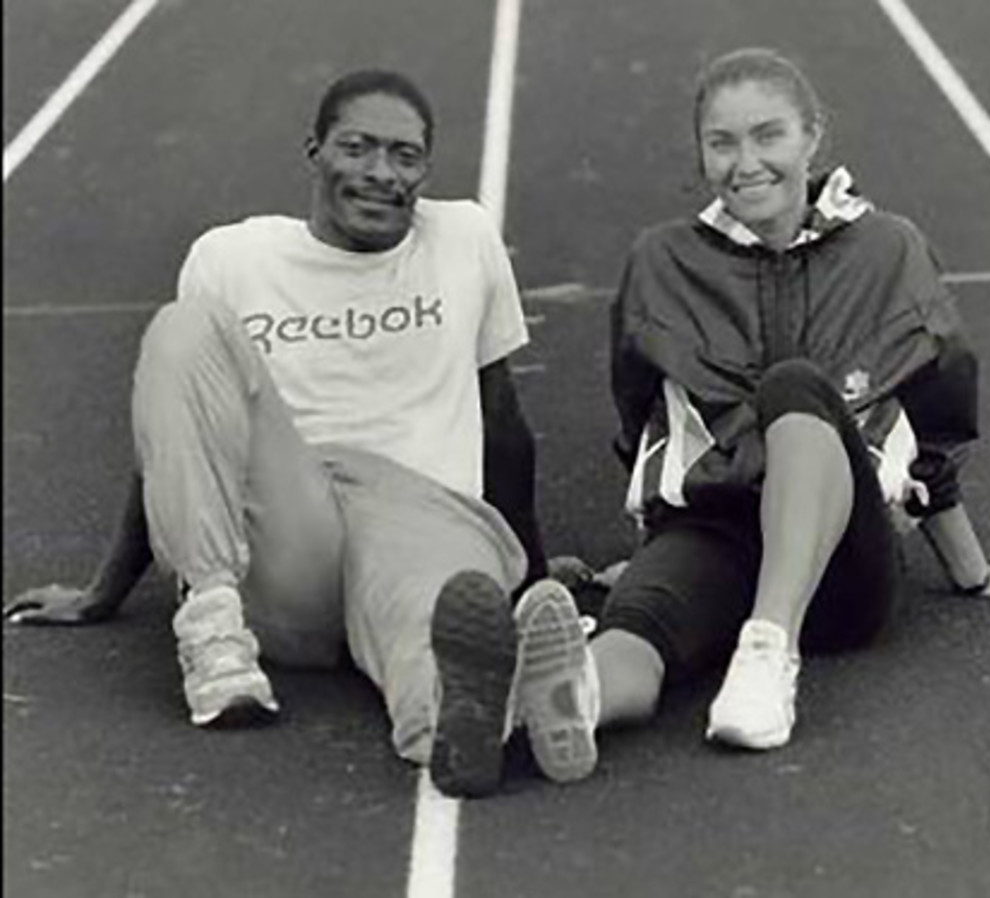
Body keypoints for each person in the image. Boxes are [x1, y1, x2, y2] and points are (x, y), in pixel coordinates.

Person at [3, 68, 595, 799]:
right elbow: (179, 436)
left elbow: (503, 422)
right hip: (295, 525)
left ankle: (457, 724)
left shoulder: (464, 238)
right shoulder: (231, 257)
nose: (382, 173)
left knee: (441, 612)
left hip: (424, 514)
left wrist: (533, 572)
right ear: (314, 150)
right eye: (358, 147)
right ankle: (215, 633)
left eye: (406, 156)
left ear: (427, 170)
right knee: (182, 330)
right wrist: (105, 590)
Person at [518, 47, 990, 770]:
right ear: (701, 153)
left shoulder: (889, 250)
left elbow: (937, 415)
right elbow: (645, 416)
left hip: (841, 559)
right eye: (723, 142)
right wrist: (649, 551)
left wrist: (971, 570)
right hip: (713, 528)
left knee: (796, 386)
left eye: (768, 135)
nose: (746, 163)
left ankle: (768, 654)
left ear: (813, 135)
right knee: (634, 632)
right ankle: (560, 704)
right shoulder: (662, 260)